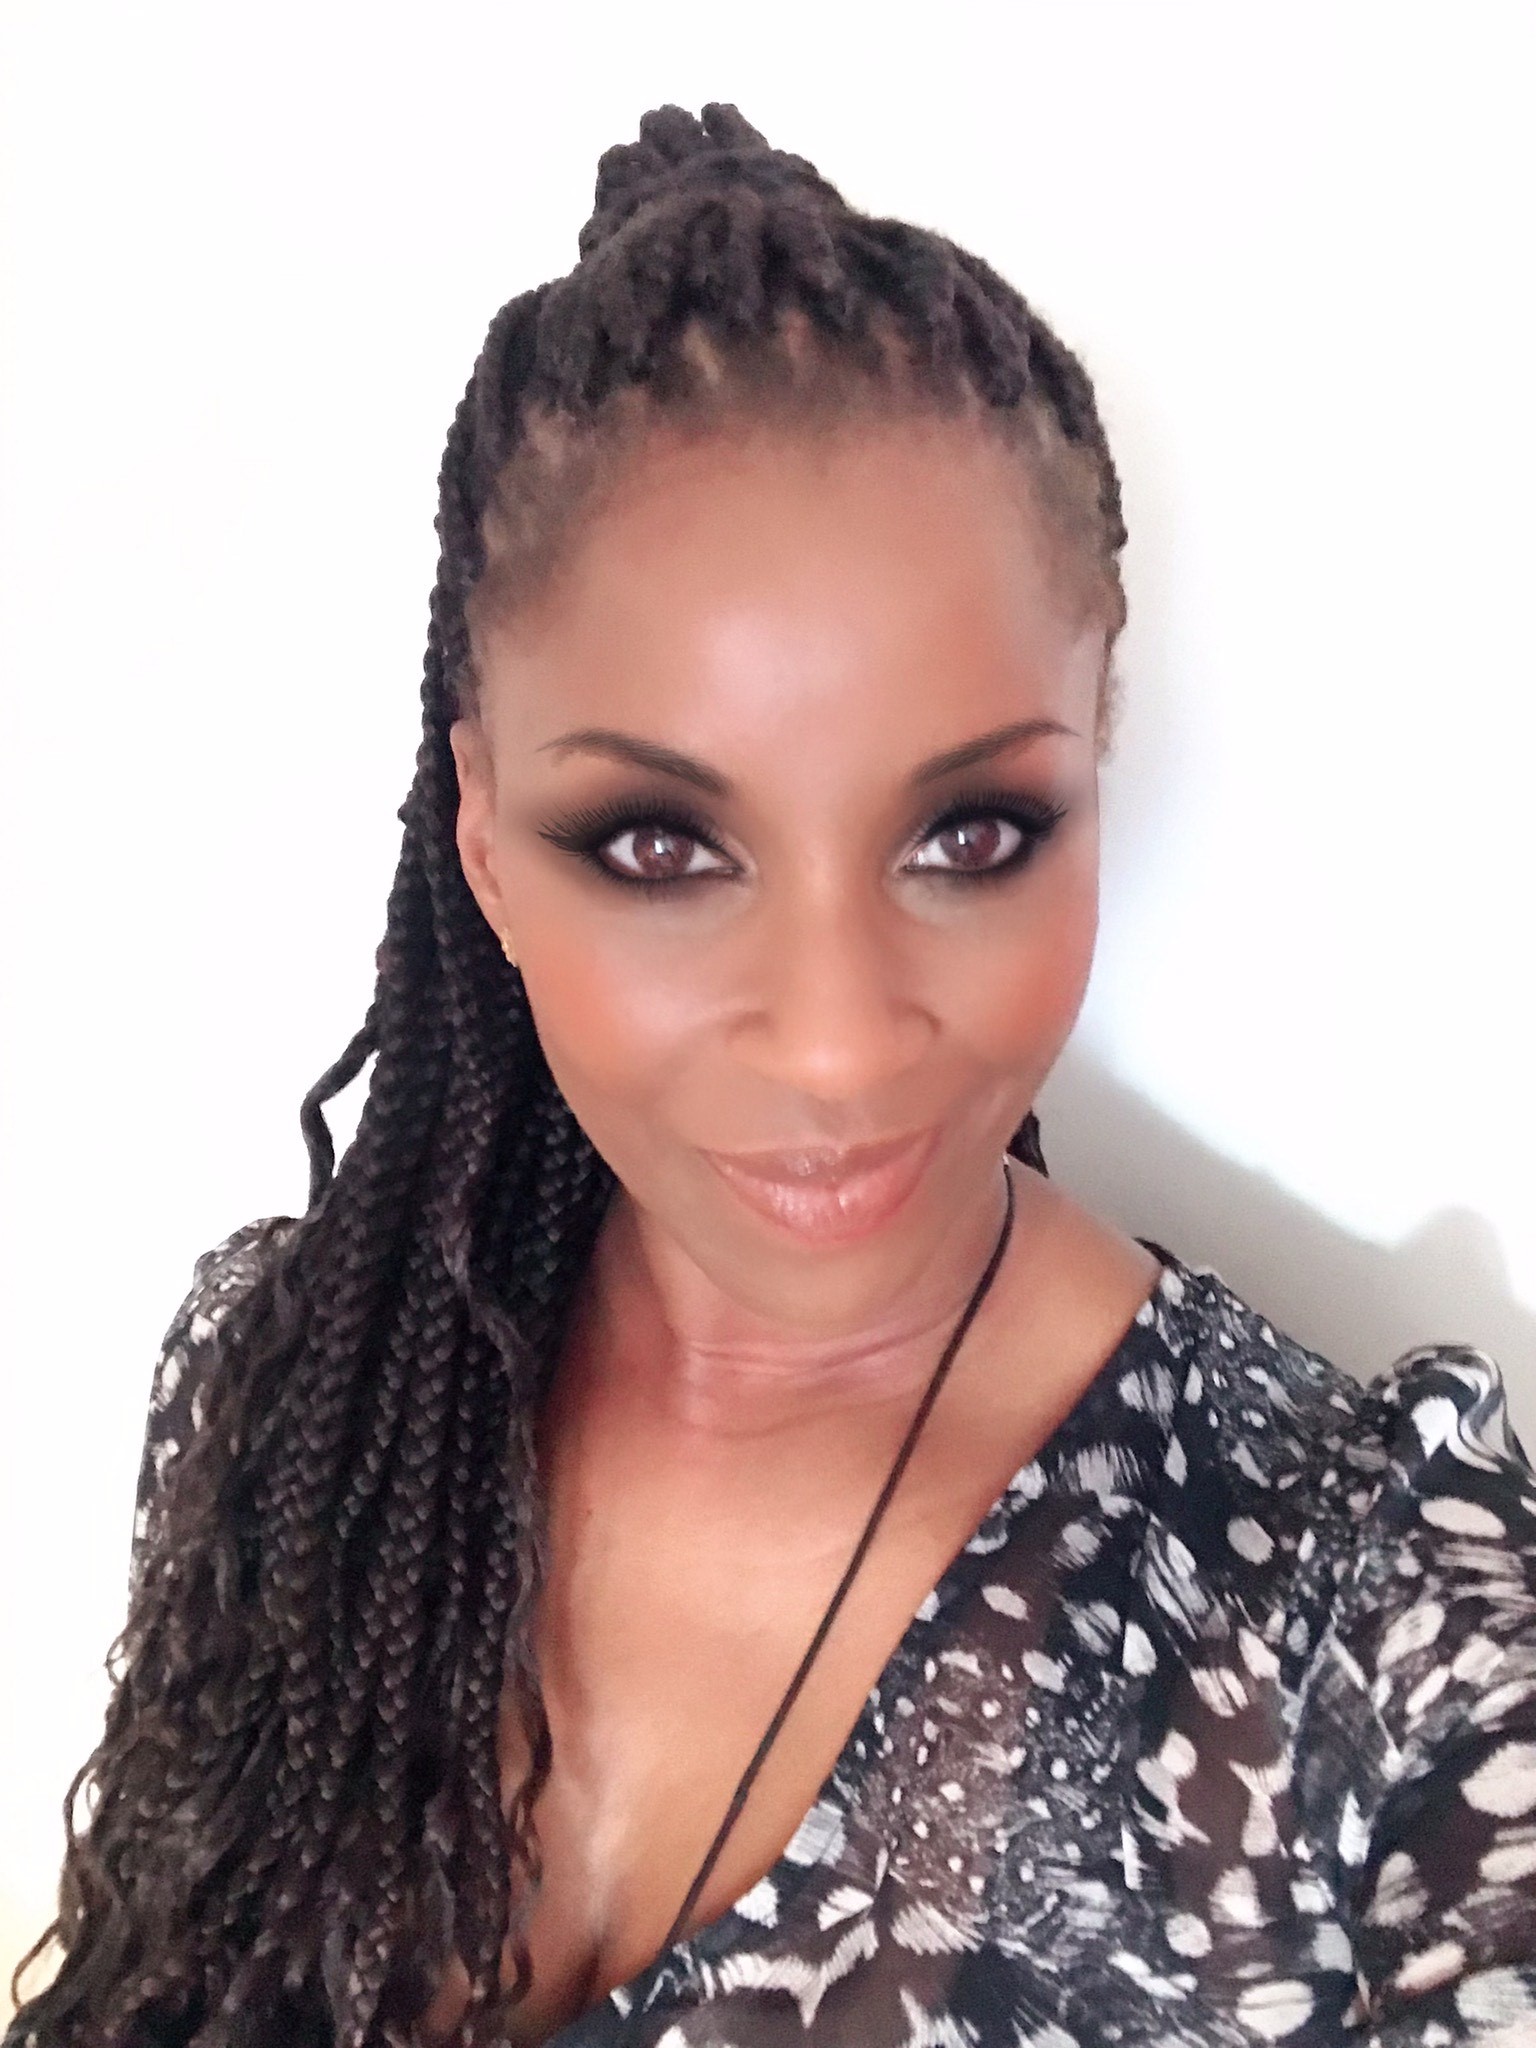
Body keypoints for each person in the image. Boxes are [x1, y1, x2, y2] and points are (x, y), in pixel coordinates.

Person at [7, 101, 1536, 2048]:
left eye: (972, 833)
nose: (834, 1040)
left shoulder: (1374, 1636)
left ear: (1095, 759)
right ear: (483, 835)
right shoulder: (318, 1391)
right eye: (660, 845)